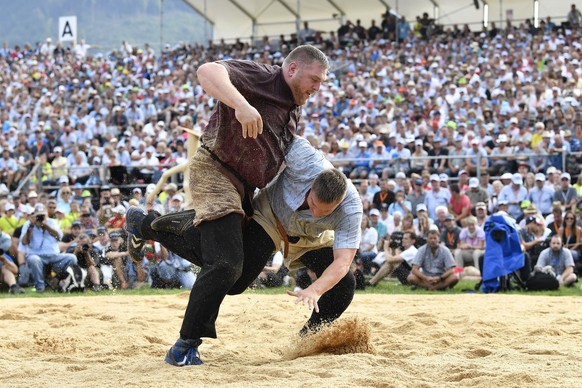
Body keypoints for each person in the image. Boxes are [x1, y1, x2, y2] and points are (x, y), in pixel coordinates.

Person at [124, 46, 330, 366]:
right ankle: (184, 346)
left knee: (236, 279)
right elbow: (207, 71)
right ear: (292, 70)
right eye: (314, 79)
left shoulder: (294, 106)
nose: (318, 87)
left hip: (246, 189)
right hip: (215, 170)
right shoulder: (262, 76)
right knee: (225, 263)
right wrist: (242, 105)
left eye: (321, 82)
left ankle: (145, 224)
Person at [126, 136, 361, 366]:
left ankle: (306, 342)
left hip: (311, 237)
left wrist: (314, 290)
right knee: (233, 279)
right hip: (270, 217)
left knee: (344, 285)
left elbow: (342, 262)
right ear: (311, 185)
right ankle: (156, 225)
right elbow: (272, 133)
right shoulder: (305, 158)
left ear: (339, 204)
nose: (316, 212)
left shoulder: (351, 209)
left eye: (325, 211)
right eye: (313, 204)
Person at [18, 203, 77, 293]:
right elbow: (24, 242)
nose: (41, 218)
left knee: (72, 258)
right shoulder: (28, 224)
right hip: (36, 255)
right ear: (34, 215)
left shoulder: (52, 222)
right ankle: (40, 287)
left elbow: (59, 237)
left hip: (54, 256)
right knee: (34, 259)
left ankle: (59, 280)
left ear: (47, 214)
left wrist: (46, 226)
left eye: (43, 215)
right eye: (39, 216)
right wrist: (31, 227)